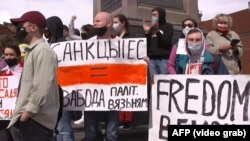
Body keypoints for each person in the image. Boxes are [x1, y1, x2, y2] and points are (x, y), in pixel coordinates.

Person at [7, 11, 60, 141]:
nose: (18, 29)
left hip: (36, 122)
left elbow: (42, 88)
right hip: (32, 120)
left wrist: (27, 113)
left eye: (21, 25)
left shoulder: (42, 51)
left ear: (33, 27)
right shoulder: (34, 51)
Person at [84, 11, 119, 141]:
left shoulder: (121, 44)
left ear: (109, 24)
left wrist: (143, 62)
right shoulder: (87, 44)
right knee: (91, 135)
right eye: (94, 21)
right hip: (92, 94)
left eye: (98, 21)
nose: (94, 23)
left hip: (113, 94)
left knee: (112, 134)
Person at [45, 16, 75, 141]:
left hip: (64, 90)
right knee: (58, 128)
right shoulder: (51, 43)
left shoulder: (63, 44)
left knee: (64, 128)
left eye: (47, 29)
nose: (45, 32)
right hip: (54, 91)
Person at [112, 13, 134, 130]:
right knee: (119, 94)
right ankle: (120, 119)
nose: (114, 25)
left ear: (123, 23)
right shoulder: (114, 37)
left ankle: (128, 121)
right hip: (117, 69)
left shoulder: (131, 36)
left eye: (116, 22)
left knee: (128, 94)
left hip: (129, 69)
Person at [142, 7, 173, 76]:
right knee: (154, 83)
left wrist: (157, 31)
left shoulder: (168, 26)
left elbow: (166, 42)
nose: (153, 17)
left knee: (164, 82)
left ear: (161, 15)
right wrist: (147, 33)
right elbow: (146, 45)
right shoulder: (150, 28)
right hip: (152, 60)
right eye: (152, 15)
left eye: (155, 15)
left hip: (163, 59)